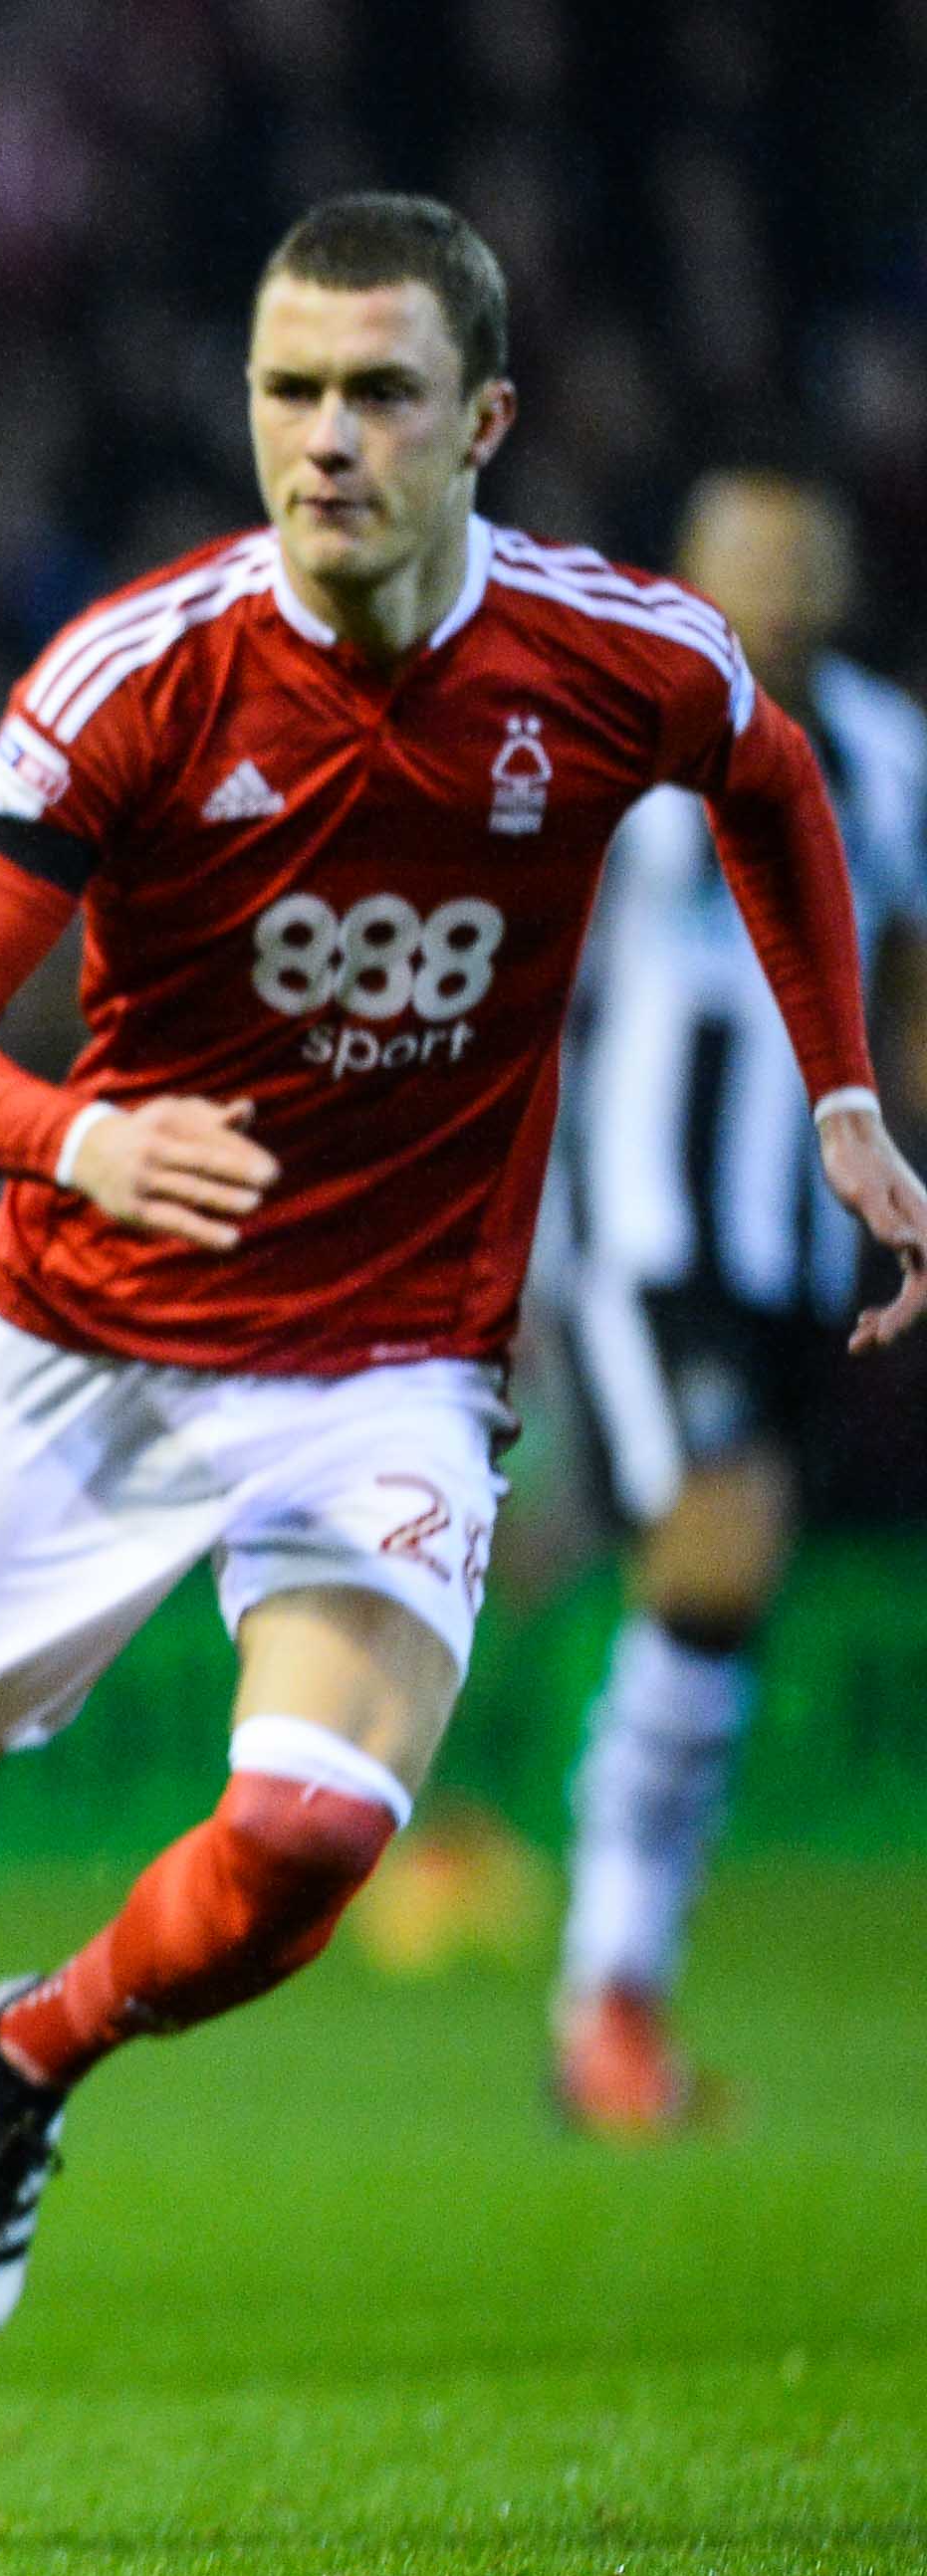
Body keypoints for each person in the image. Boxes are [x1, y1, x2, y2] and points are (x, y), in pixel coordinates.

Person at [0, 194, 927, 2566]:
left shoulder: (608, 656)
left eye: (376, 395)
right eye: (288, 391)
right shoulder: (134, 677)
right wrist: (79, 1127)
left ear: (480, 424)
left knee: (313, 1838)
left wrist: (841, 1090)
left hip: (380, 1362)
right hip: (78, 1354)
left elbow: (772, 786)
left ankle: (32, 2057)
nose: (325, 441)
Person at [539, 468, 927, 2135]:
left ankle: (614, 1977)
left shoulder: (894, 758)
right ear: (686, 572)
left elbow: (908, 989)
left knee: (715, 1595)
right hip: (634, 1233)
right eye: (748, 562)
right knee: (719, 1537)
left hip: (792, 1253)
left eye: (804, 562)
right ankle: (604, 1994)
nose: (777, 591)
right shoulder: (607, 731)